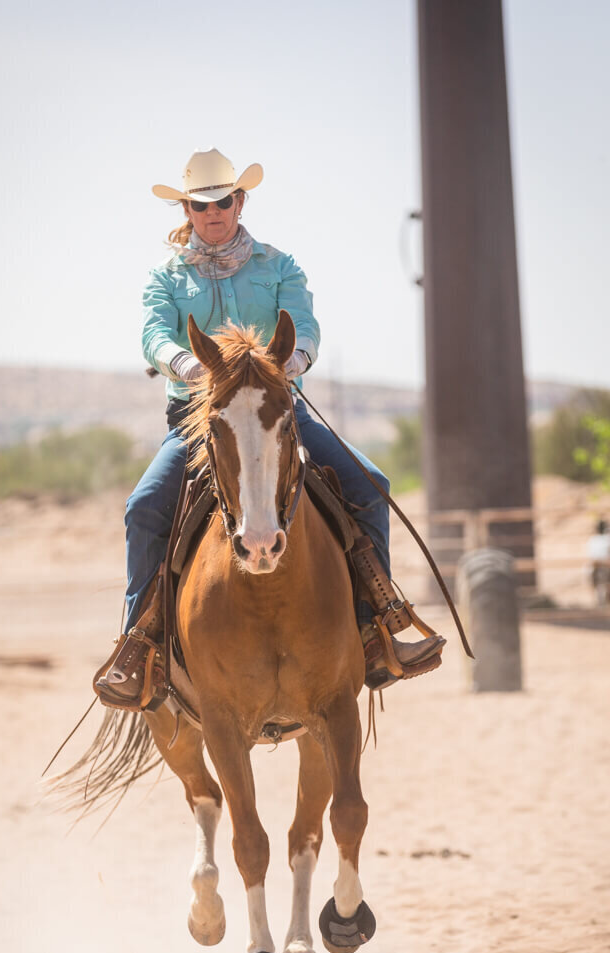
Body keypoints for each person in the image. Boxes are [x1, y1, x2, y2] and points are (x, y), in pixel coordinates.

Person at [94, 148, 444, 709]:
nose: (214, 213)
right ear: (186, 209)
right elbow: (154, 336)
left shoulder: (280, 265)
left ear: (240, 201)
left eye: (224, 201)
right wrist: (193, 368)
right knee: (145, 507)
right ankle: (141, 646)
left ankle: (379, 624)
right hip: (201, 416)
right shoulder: (165, 276)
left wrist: (292, 363)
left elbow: (303, 325)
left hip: (283, 410)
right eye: (201, 204)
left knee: (370, 484)